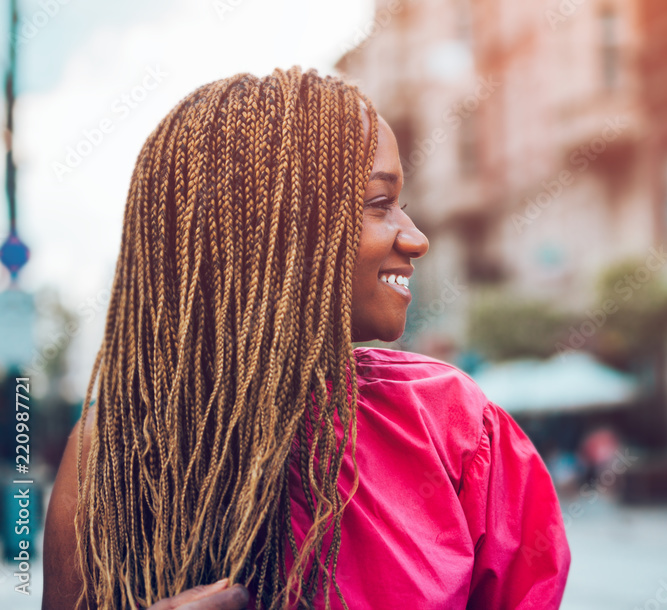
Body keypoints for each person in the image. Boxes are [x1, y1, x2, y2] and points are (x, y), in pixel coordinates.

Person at [41, 67, 570, 609]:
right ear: (276, 228)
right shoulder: (111, 456)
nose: (416, 239)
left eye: (401, 205)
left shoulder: (455, 425)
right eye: (378, 203)